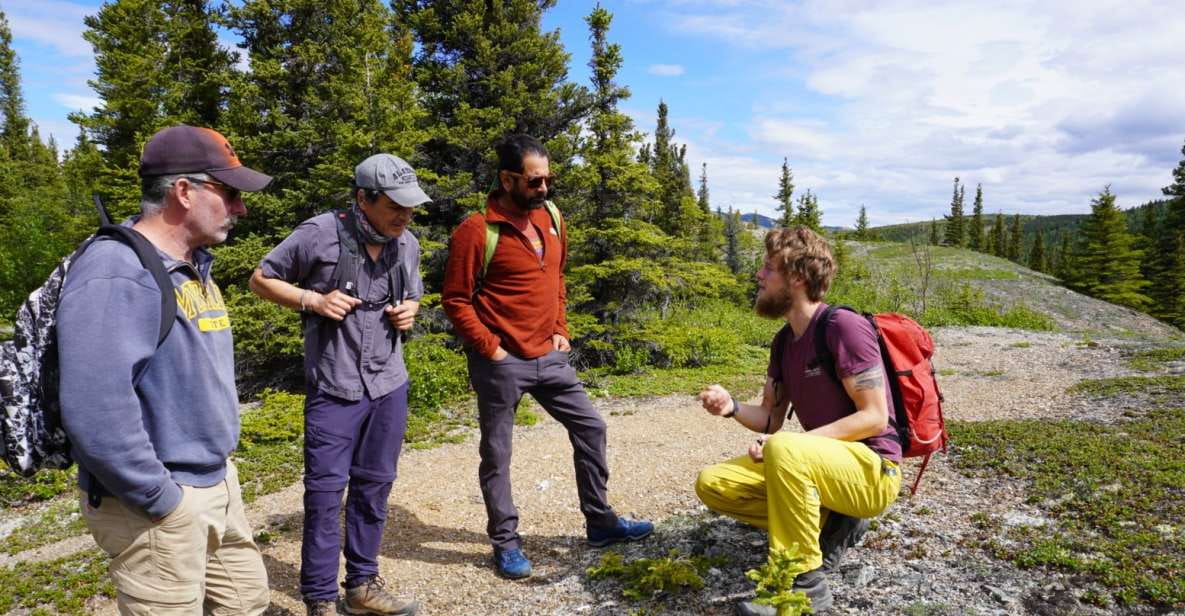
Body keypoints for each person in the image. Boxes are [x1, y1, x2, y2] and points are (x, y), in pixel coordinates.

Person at [57, 124, 272, 615]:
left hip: (215, 481)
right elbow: (94, 406)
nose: (240, 207)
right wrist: (160, 497)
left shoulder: (193, 264)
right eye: (231, 193)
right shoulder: (117, 270)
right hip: (158, 501)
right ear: (183, 191)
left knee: (246, 601)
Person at [442, 134, 653, 580]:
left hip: (549, 356)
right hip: (501, 362)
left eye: (548, 179)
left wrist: (561, 329)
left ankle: (600, 522)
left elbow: (557, 277)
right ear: (507, 179)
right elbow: (456, 300)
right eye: (535, 181)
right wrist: (490, 347)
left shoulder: (553, 217)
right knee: (497, 454)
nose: (544, 188)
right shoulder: (477, 230)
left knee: (591, 427)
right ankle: (505, 542)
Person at [249, 153, 427, 616]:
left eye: (410, 207)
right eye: (395, 206)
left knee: (375, 487)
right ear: (362, 199)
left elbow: (414, 295)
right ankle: (320, 599)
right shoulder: (319, 234)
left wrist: (411, 311)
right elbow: (261, 279)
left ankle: (362, 586)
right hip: (334, 387)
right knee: (325, 497)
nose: (404, 216)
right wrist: (311, 299)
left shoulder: (406, 242)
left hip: (389, 386)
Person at [695, 226, 903, 616]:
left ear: (797, 277)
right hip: (818, 466)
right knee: (714, 484)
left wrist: (791, 446)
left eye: (768, 268)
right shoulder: (784, 342)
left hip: (874, 471)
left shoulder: (843, 327)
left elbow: (875, 418)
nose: (759, 275)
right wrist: (732, 407)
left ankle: (804, 585)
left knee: (788, 448)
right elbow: (771, 419)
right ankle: (829, 522)